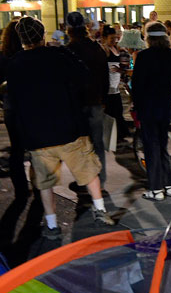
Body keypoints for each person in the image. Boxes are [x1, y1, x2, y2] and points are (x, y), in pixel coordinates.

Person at [7, 16, 114, 238]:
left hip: (38, 134)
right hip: (69, 127)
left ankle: (53, 225)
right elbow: (83, 76)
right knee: (88, 171)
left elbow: (14, 101)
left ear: (22, 39)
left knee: (45, 181)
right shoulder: (58, 55)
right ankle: (101, 211)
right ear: (43, 34)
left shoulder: (16, 64)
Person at [131, 22, 171, 200]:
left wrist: (135, 105)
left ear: (148, 38)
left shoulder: (143, 56)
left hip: (148, 108)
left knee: (151, 148)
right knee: (162, 146)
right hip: (165, 106)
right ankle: (168, 184)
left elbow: (137, 85)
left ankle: (156, 189)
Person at [65, 11, 109, 190]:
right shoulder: (96, 48)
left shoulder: (69, 50)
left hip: (78, 104)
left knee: (82, 144)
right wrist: (103, 98)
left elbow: (67, 80)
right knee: (97, 143)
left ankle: (86, 181)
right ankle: (101, 178)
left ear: (69, 29)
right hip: (96, 101)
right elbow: (104, 76)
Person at [0, 20, 28, 200]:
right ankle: (40, 186)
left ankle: (21, 189)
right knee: (34, 147)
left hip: (10, 106)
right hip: (28, 106)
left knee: (17, 148)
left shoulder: (2, 57)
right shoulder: (25, 56)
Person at [100, 24, 129, 140]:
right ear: (105, 38)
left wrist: (121, 68)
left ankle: (118, 134)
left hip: (115, 83)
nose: (114, 40)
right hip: (109, 84)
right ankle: (113, 135)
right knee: (111, 110)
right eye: (111, 38)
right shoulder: (105, 49)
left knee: (117, 109)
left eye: (115, 38)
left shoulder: (115, 48)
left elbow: (121, 66)